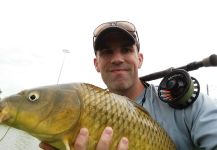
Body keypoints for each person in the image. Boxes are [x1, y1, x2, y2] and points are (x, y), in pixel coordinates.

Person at [40, 21, 217, 150]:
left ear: (139, 59)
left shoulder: (191, 105)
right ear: (96, 64)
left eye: (126, 49)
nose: (117, 59)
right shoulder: (77, 114)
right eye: (107, 52)